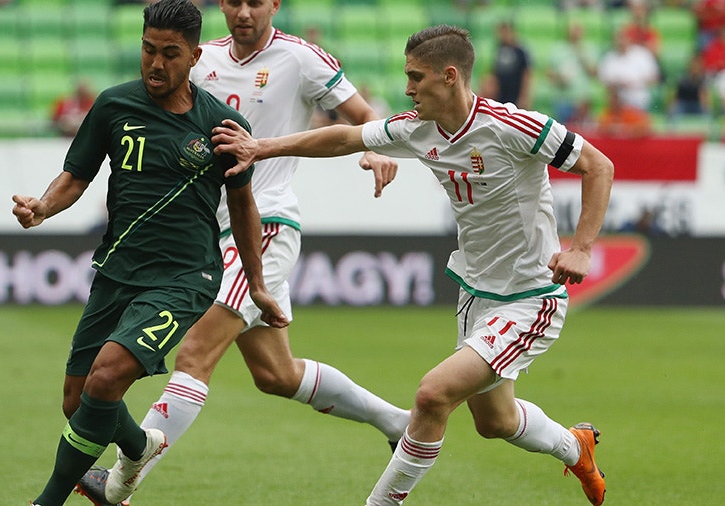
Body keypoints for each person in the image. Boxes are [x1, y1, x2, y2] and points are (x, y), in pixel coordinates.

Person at [211, 24, 614, 506]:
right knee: (495, 422)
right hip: (476, 294)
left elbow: (598, 165)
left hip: (531, 296)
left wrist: (581, 248)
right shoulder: (417, 128)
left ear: (449, 76)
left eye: (415, 77)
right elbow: (344, 138)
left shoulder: (513, 126)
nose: (407, 88)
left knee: (432, 394)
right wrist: (261, 147)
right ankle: (576, 447)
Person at [77, 1, 408, 504]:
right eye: (234, 1)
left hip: (264, 225)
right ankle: (398, 423)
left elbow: (364, 116)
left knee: (194, 352)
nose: (244, 12)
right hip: (208, 233)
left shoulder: (301, 58)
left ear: (275, 4)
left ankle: (120, 482)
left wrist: (375, 147)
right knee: (277, 374)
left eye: (256, 1)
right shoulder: (199, 59)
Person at [12, 2, 288, 505]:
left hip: (185, 279)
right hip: (118, 270)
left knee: (106, 377)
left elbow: (244, 207)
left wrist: (258, 285)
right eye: (148, 50)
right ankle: (140, 447)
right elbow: (75, 176)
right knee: (78, 402)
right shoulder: (114, 105)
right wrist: (43, 207)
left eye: (170, 54)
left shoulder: (223, 125)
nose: (156, 64)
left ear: (195, 57)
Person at [546, 22, 598, 127]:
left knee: (582, 130)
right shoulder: (558, 49)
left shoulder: (588, 48)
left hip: (582, 98)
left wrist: (581, 55)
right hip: (563, 98)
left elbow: (594, 73)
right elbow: (549, 73)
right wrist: (559, 78)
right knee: (562, 129)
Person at [596, 28, 660, 112]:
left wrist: (635, 82)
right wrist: (619, 83)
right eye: (618, 39)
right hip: (617, 100)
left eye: (623, 38)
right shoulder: (609, 58)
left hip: (639, 97)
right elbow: (603, 81)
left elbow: (654, 77)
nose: (621, 42)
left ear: (629, 39)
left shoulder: (642, 54)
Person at [481, 21, 531, 108]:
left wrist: (524, 96)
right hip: (500, 93)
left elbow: (526, 73)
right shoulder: (499, 49)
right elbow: (494, 70)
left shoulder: (520, 51)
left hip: (514, 91)